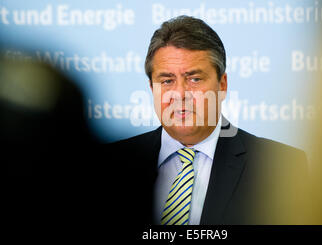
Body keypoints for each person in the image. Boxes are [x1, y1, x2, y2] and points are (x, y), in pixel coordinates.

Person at [108, 15, 308, 225]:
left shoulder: (279, 167)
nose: (180, 94)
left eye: (194, 79)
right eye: (167, 81)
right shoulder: (109, 164)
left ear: (222, 84)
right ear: (151, 88)